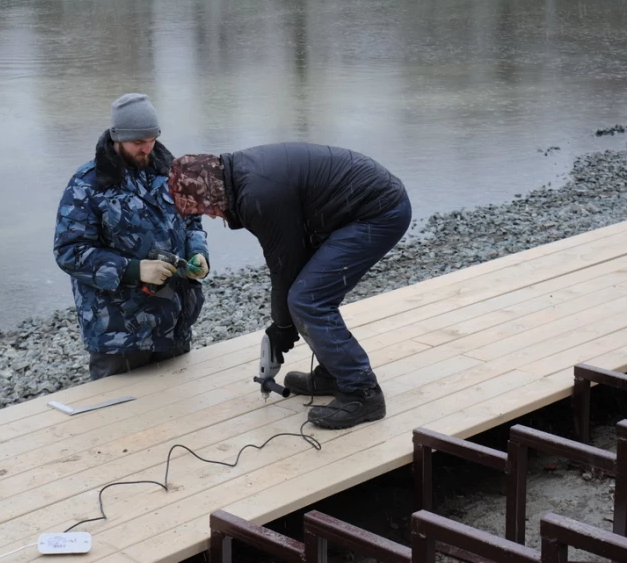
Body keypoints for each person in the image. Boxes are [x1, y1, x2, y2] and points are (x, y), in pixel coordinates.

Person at [167, 144, 410, 429]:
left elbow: (285, 265)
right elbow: (291, 257)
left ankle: (363, 392)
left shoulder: (257, 196)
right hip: (356, 208)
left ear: (210, 191)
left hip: (378, 212)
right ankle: (333, 374)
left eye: (204, 207)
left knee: (308, 300)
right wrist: (282, 325)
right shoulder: (238, 175)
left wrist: (281, 327)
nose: (210, 215)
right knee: (306, 295)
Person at [54, 93, 209, 380]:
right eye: (138, 142)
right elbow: (69, 252)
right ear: (117, 137)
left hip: (174, 322)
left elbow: (193, 223)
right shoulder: (87, 184)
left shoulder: (174, 173)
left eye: (152, 139)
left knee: (179, 411)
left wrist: (197, 252)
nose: (147, 148)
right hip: (118, 334)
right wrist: (133, 270)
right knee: (117, 420)